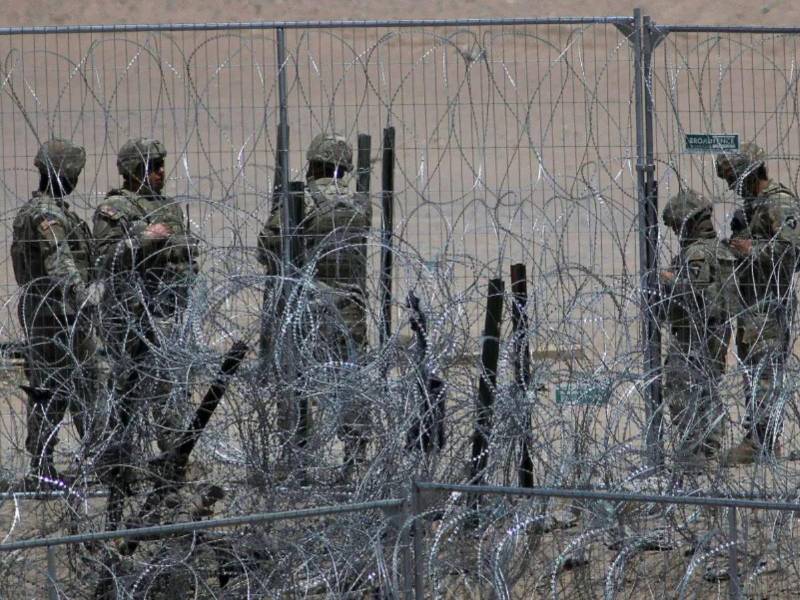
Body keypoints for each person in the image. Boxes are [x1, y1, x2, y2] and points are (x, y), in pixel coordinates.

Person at [258, 132, 371, 479]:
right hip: (350, 306)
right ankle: (356, 458)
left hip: (308, 304)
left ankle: (296, 458)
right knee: (349, 381)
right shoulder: (358, 204)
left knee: (296, 380)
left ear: (314, 163)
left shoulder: (301, 200)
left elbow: (267, 248)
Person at [93, 138, 198, 464]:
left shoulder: (169, 208)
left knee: (170, 388)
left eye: (161, 165)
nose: (160, 172)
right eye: (152, 167)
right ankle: (119, 462)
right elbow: (103, 261)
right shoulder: (115, 209)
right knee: (128, 389)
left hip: (167, 313)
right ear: (133, 171)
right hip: (130, 317)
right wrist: (142, 240)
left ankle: (172, 459)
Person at [10, 138, 97, 484]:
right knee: (78, 386)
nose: (76, 179)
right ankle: (84, 459)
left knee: (52, 388)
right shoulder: (48, 215)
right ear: (64, 174)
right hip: (59, 315)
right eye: (74, 173)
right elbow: (59, 261)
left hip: (47, 312)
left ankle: (46, 463)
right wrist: (84, 297)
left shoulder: (40, 210)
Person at [715, 142, 800, 464]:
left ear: (750, 174)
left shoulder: (779, 202)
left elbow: (793, 251)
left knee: (764, 374)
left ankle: (761, 442)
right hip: (752, 301)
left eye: (733, 179)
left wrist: (753, 250)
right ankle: (759, 438)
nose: (732, 187)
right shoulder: (753, 206)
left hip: (770, 303)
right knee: (753, 372)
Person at [659, 190, 737, 469]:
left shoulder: (697, 254)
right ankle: (710, 447)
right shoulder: (721, 249)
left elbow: (694, 288)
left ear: (688, 223)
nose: (676, 232)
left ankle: (694, 451)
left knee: (680, 386)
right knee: (707, 387)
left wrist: (667, 279)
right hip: (717, 329)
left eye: (677, 226)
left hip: (694, 331)